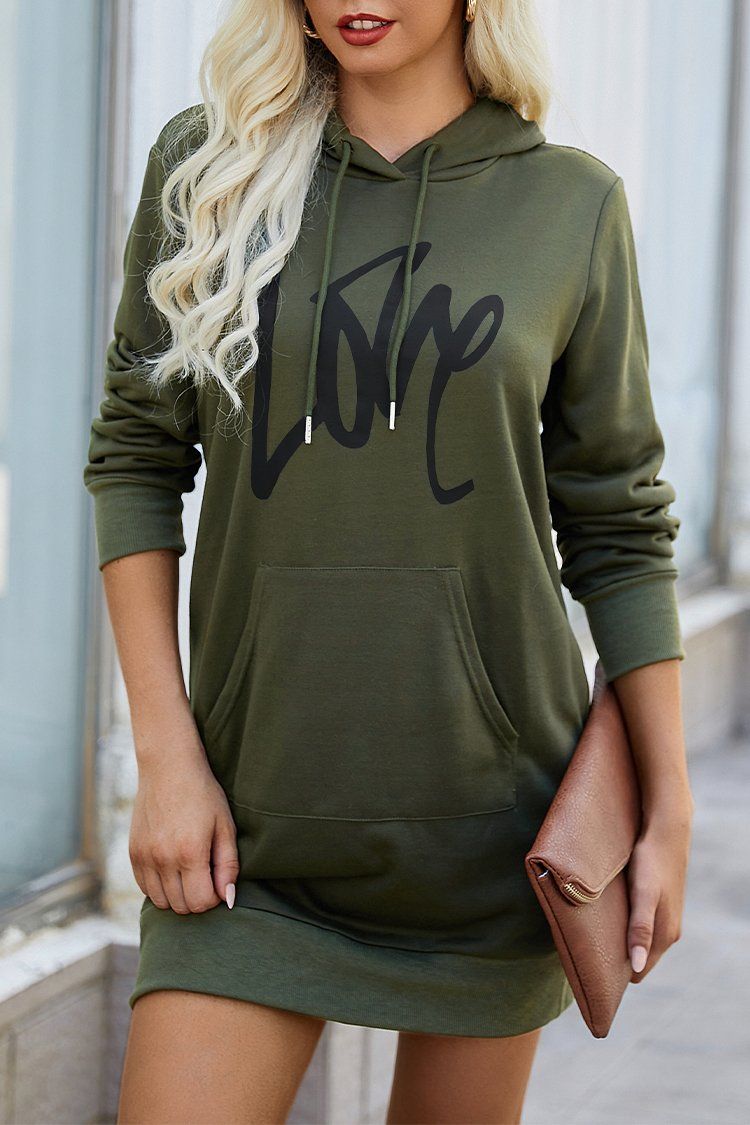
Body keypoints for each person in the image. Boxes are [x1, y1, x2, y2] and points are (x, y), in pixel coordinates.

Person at [83, 1, 695, 1121]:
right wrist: (165, 760)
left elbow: (618, 521)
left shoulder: (569, 204)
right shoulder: (209, 171)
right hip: (248, 836)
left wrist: (669, 809)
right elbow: (135, 457)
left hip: (489, 837)